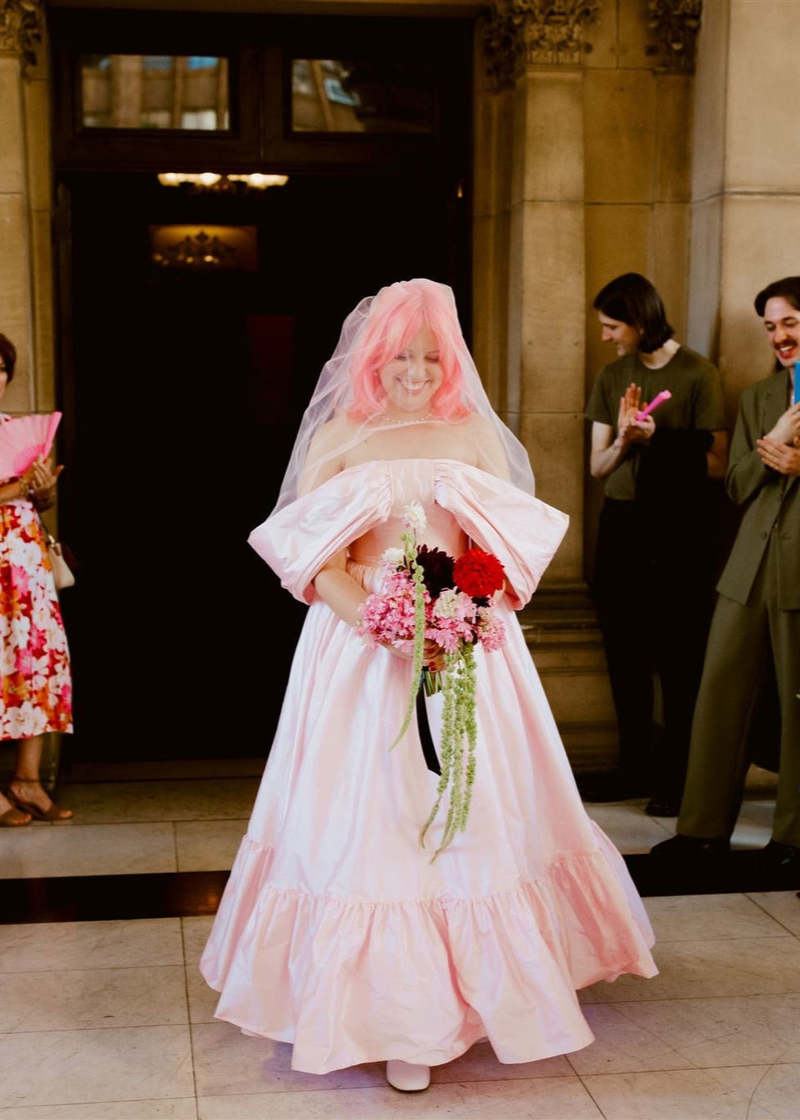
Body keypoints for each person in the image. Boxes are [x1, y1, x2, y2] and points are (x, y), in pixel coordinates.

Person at [200, 279, 656, 1090]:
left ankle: (478, 998)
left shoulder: (472, 432)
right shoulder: (340, 433)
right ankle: (393, 1017)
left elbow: (502, 550)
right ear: (371, 360)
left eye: (431, 357)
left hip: (465, 640)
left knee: (473, 814)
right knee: (372, 820)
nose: (415, 370)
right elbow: (315, 561)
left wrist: (458, 616)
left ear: (451, 363)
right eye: (400, 356)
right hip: (360, 650)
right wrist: (384, 623)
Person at [652, 276, 800, 869]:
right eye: (770, 326)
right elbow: (736, 483)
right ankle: (702, 831)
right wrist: (775, 443)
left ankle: (792, 841)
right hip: (747, 568)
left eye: (789, 322)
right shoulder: (763, 395)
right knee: (719, 693)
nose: (779, 336)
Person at [584, 273, 728, 816]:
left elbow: (718, 464)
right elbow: (598, 467)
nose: (605, 337)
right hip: (622, 526)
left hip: (680, 529)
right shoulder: (611, 376)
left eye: (612, 326)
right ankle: (633, 767)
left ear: (640, 321)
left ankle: (678, 777)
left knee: (679, 655)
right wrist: (625, 440)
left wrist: (658, 438)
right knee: (624, 652)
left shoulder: (698, 373)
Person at [0, 333, 72, 826]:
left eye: (2, 369)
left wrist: (41, 491)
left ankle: (27, 779)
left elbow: (35, 501)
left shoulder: (11, 429)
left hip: (25, 563)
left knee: (39, 660)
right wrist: (18, 487)